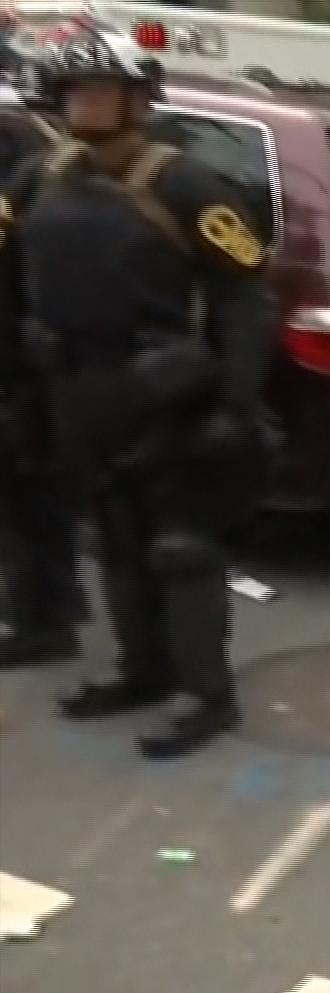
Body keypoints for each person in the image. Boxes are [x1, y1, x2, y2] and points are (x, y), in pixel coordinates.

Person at [1, 24, 277, 758]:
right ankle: (141, 670)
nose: (88, 106)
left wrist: (235, 406)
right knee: (115, 542)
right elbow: (8, 282)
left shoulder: (186, 184)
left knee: (180, 547)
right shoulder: (36, 179)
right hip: (75, 393)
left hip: (166, 395)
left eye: (102, 91)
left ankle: (205, 694)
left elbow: (245, 300)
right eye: (75, 93)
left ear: (138, 98)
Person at [0, 33, 83, 669]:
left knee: (31, 496)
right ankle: (48, 606)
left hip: (27, 355)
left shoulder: (24, 152)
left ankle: (45, 620)